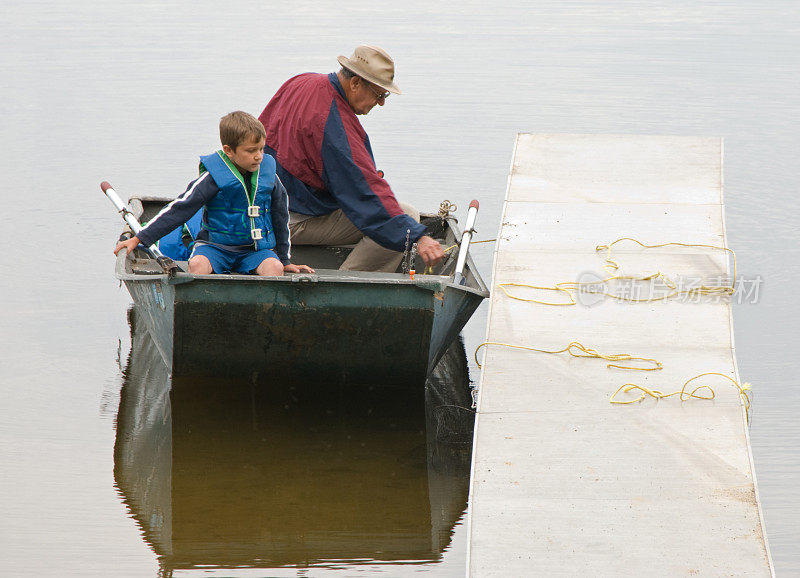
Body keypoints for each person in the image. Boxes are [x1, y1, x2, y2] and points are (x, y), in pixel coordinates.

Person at [258, 45, 445, 273]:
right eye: (379, 94)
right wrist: (418, 237)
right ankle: (348, 283)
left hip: (262, 206)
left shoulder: (301, 82)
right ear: (355, 83)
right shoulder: (336, 127)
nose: (381, 103)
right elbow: (365, 194)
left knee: (390, 217)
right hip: (288, 220)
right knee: (405, 218)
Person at [114, 111, 314, 277]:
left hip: (254, 250)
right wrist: (138, 239)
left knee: (274, 268)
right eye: (251, 150)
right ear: (229, 150)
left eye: (261, 149)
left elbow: (280, 216)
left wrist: (284, 259)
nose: (259, 156)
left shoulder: (269, 177)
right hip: (215, 247)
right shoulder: (212, 179)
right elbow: (179, 210)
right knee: (198, 266)